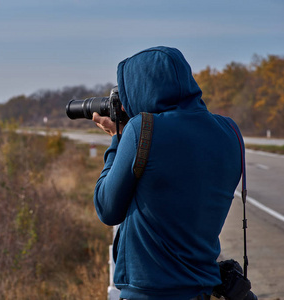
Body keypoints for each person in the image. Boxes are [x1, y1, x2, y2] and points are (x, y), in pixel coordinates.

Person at [92, 46, 243, 300]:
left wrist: (118, 139)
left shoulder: (142, 129)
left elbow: (107, 208)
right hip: (202, 289)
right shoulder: (230, 131)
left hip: (150, 291)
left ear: (139, 87)